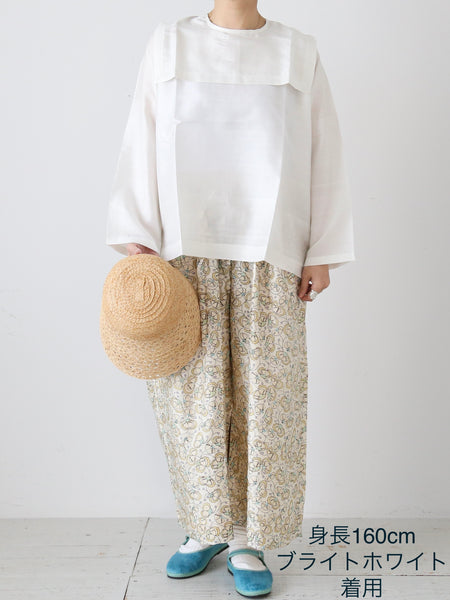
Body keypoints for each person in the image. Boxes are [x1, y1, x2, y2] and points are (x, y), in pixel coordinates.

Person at [105, 1, 355, 596]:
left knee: (265, 400)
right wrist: (138, 232)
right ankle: (205, 526)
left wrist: (322, 249)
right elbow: (142, 133)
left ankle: (248, 537)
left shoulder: (297, 50)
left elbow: (324, 150)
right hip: (184, 251)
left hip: (271, 254)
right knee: (194, 402)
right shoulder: (169, 43)